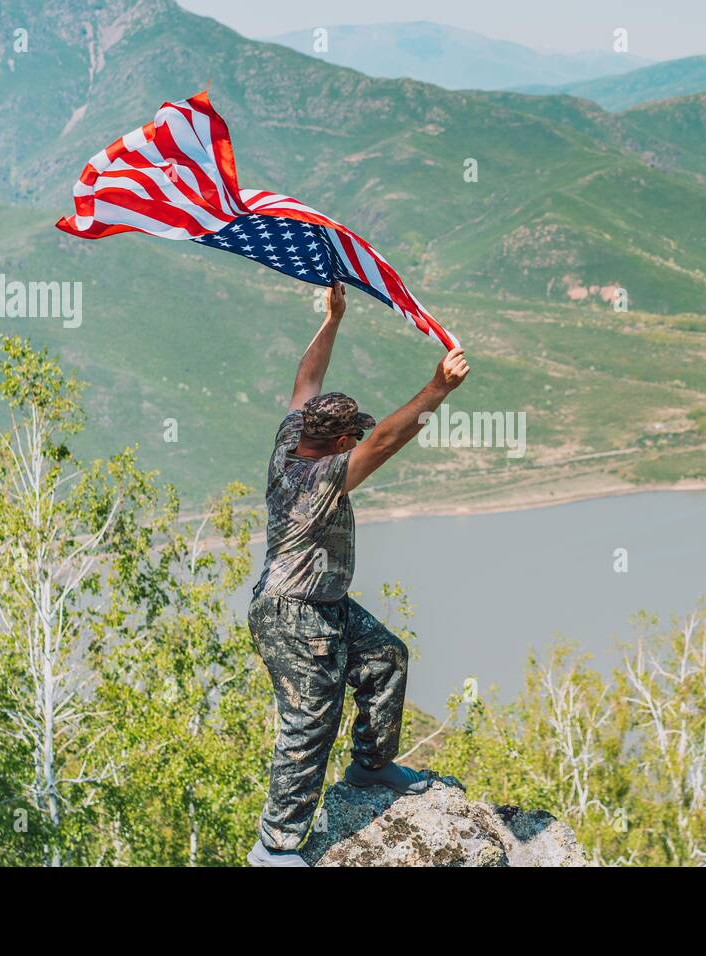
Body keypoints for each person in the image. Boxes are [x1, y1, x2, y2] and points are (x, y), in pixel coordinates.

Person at [246, 281, 469, 867]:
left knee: (385, 657)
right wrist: (439, 388)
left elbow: (306, 380)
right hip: (293, 617)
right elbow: (390, 439)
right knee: (309, 724)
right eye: (353, 437)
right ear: (341, 441)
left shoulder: (293, 438)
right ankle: (276, 849)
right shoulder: (322, 480)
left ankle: (371, 768)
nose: (357, 442)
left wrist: (333, 319)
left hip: (323, 604)